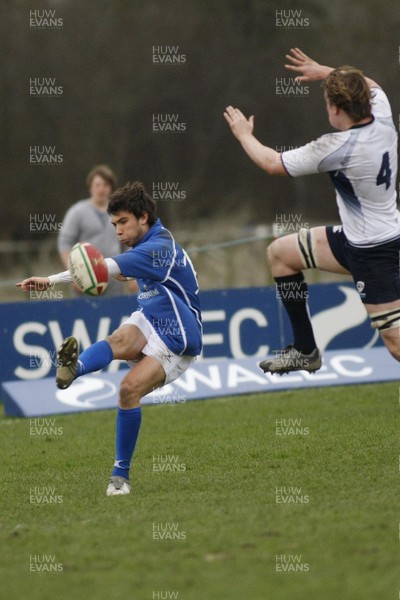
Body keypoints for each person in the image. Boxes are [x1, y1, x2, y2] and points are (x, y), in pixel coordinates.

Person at [17, 182, 203, 496]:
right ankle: (72, 371)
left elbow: (99, 269)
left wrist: (51, 281)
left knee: (128, 390)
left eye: (123, 222)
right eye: (113, 224)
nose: (117, 230)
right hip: (152, 315)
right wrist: (49, 280)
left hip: (178, 337)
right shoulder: (149, 242)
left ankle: (120, 476)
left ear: (143, 217)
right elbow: (103, 269)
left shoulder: (157, 249)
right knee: (118, 339)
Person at [224, 47, 399, 374]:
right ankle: (305, 351)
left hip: (374, 252)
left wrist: (244, 135)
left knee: (395, 345)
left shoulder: (336, 148)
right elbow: (370, 83)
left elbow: (271, 163)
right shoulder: (383, 113)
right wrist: (326, 72)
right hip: (357, 239)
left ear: (335, 108)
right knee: (280, 254)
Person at [58, 164, 124, 296]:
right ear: (90, 187)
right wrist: (73, 274)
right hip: (85, 279)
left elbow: (128, 244)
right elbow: (64, 243)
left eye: (105, 185)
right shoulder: (77, 212)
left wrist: (132, 274)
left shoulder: (119, 212)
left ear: (111, 188)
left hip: (114, 279)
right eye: (97, 185)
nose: (101, 189)